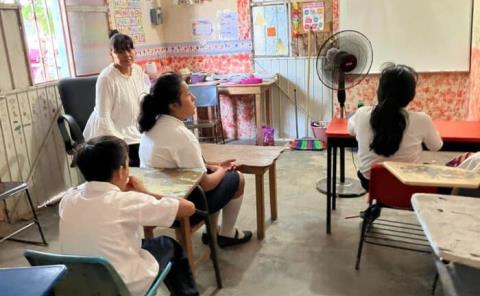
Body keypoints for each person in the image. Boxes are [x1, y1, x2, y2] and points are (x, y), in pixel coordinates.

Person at [58, 136, 199, 296]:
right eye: (127, 164)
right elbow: (188, 208)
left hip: (78, 284)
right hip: (119, 286)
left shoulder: (68, 198)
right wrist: (144, 192)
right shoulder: (126, 201)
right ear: (120, 171)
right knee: (170, 245)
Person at [138, 72, 252, 248]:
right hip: (183, 208)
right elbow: (206, 184)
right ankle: (227, 233)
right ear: (173, 105)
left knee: (213, 172)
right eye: (187, 94)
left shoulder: (151, 128)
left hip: (157, 203)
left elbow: (178, 167)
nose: (193, 96)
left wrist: (214, 166)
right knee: (236, 178)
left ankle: (211, 231)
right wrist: (223, 170)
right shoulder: (181, 135)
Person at [348, 63, 443, 191]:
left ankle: (378, 203)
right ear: (411, 94)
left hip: (371, 183)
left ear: (380, 90)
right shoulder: (422, 120)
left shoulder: (362, 114)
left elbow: (351, 130)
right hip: (408, 186)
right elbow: (436, 146)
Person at [83, 30, 150, 167]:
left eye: (129, 49)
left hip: (134, 131)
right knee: (140, 162)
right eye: (120, 51)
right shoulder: (106, 78)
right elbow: (104, 119)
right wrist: (120, 144)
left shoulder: (137, 70)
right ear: (111, 54)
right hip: (113, 134)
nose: (126, 55)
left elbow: (144, 97)